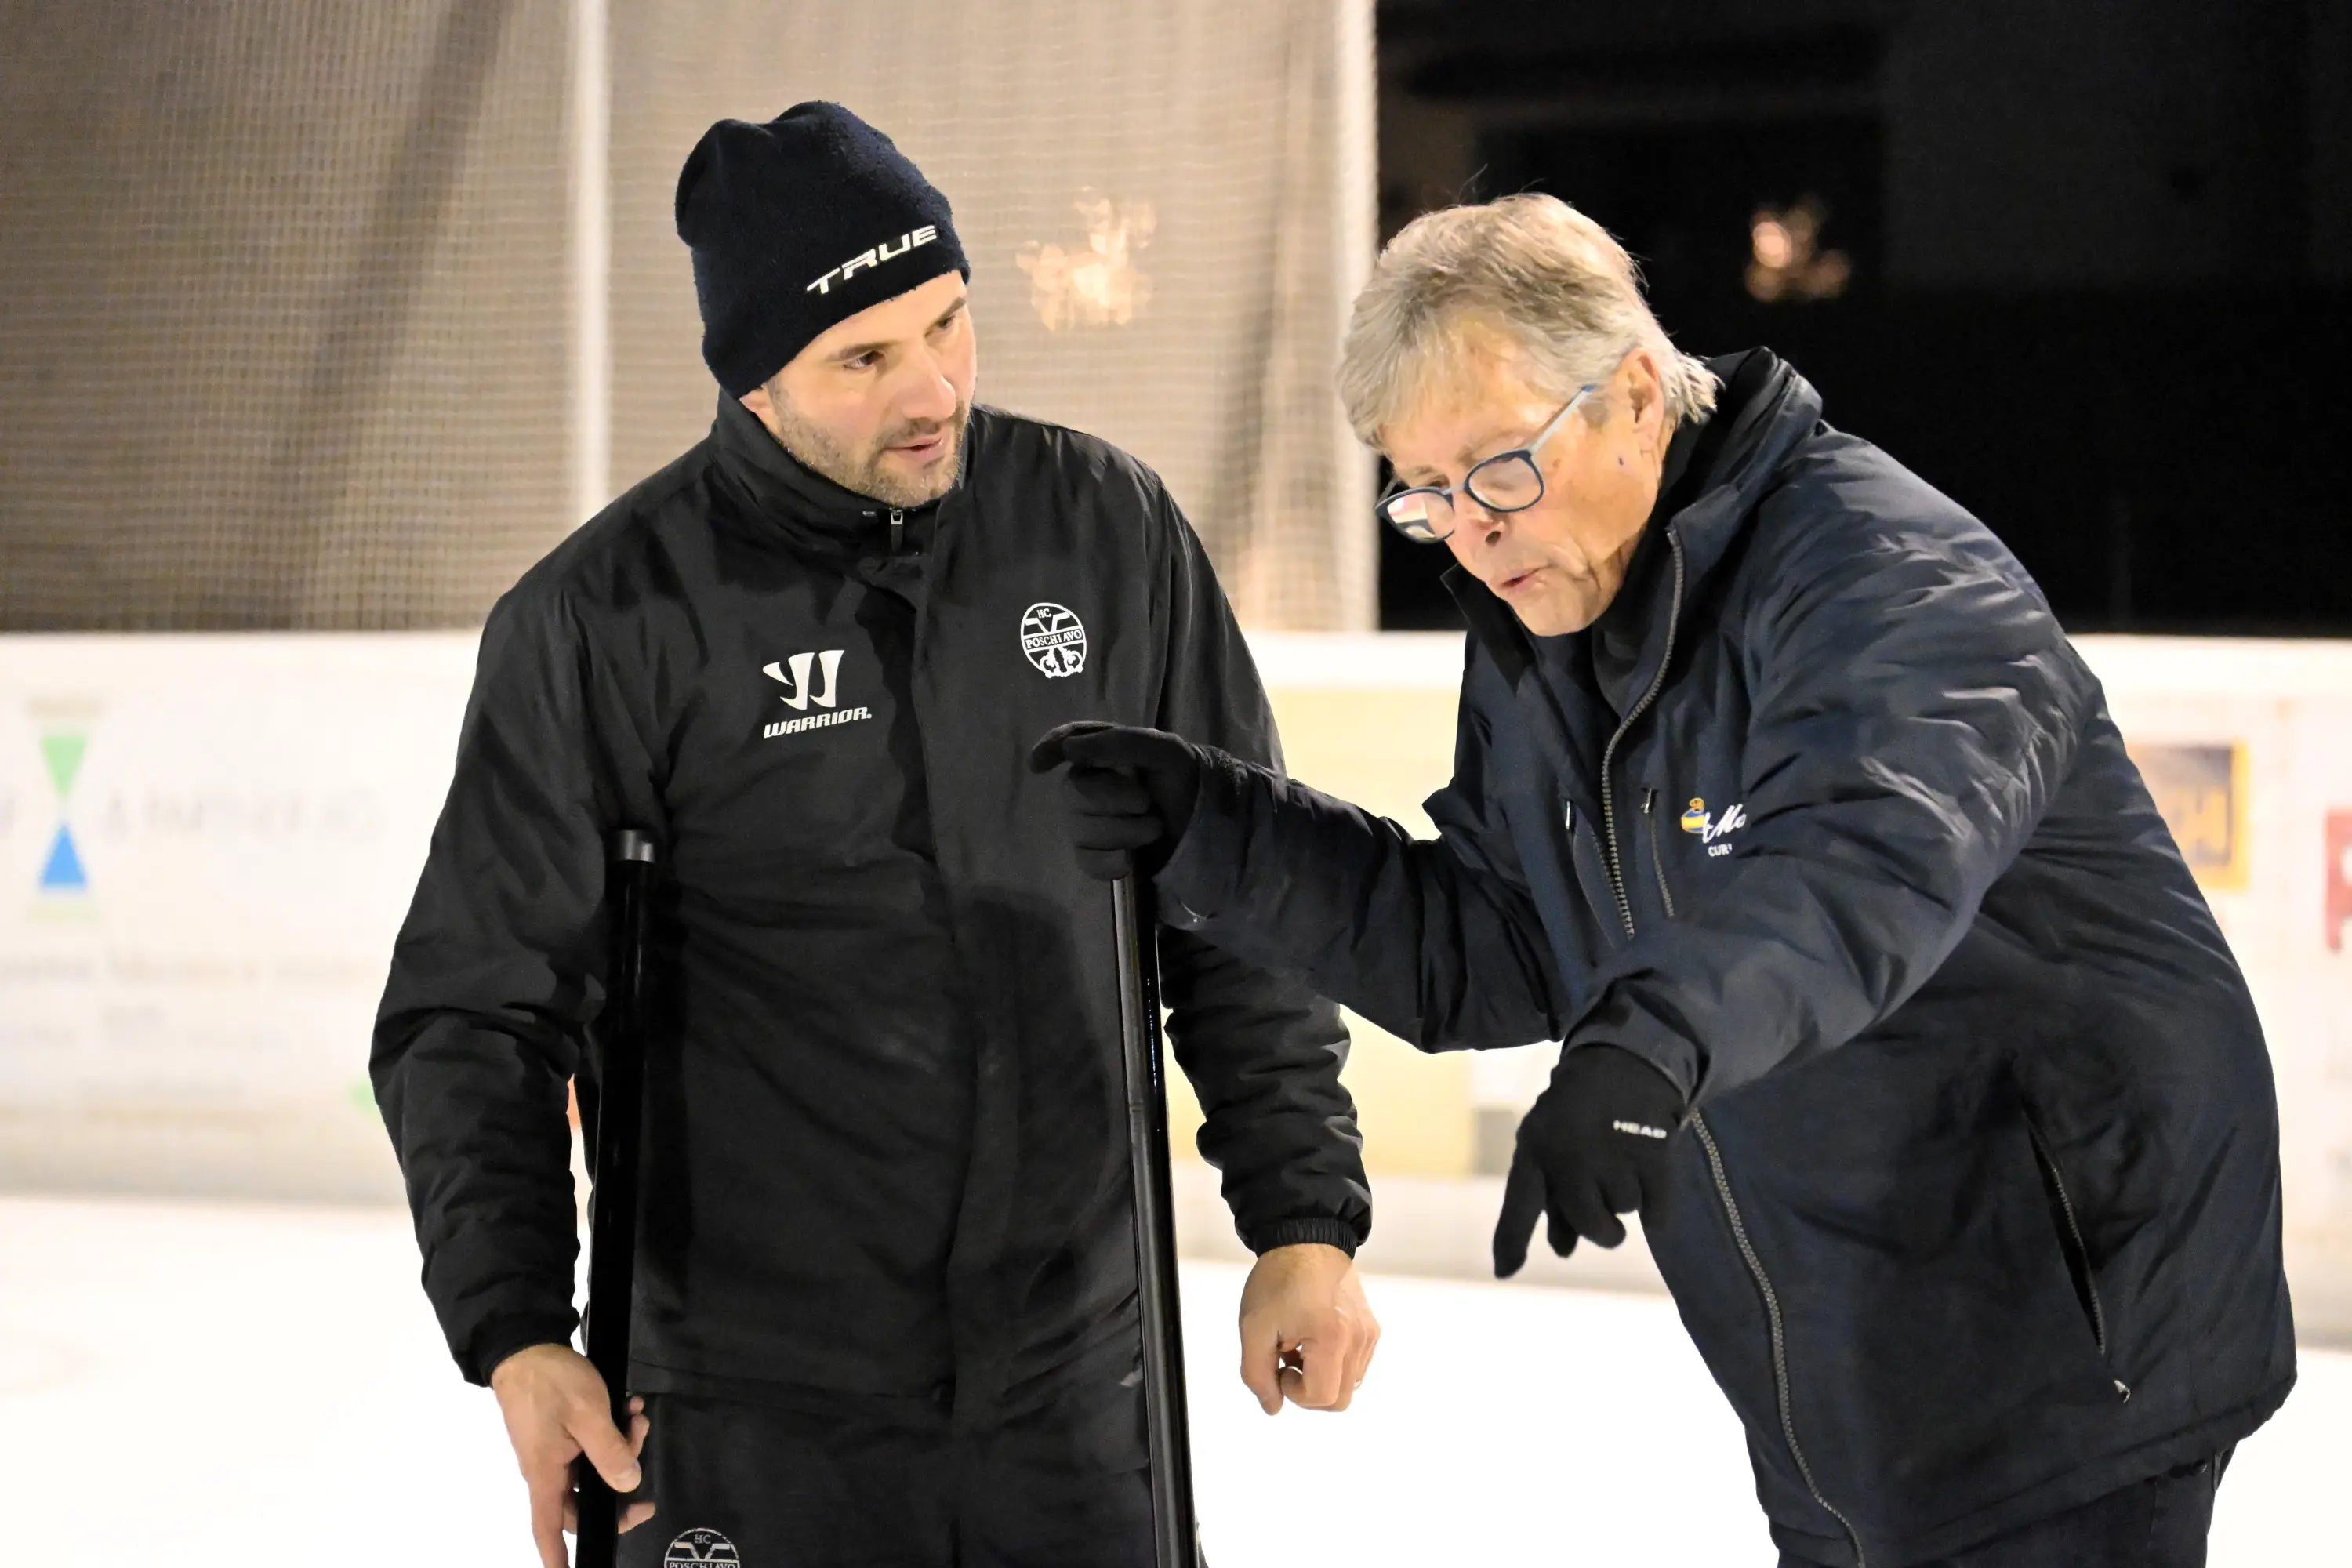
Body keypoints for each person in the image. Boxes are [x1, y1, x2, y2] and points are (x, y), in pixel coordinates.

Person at [1032, 194, 2294, 1568]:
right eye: (1426, 493)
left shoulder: (1884, 572)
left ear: (1636, 394)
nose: (1472, 533)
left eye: (1501, 468)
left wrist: (1652, 1043)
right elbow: (1500, 941)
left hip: (2055, 1348)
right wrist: (1215, 832)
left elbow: (1862, 854)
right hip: (1840, 1372)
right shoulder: (1553, 621)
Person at [372, 102, 1378, 1568]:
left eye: (950, 323)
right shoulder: (605, 621)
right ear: (757, 384)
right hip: (746, 1417)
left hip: (1073, 1383)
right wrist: (520, 1333)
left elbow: (1236, 898)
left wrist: (1303, 1216)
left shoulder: (1102, 530)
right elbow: (473, 1011)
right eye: (865, 358)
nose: (934, 388)